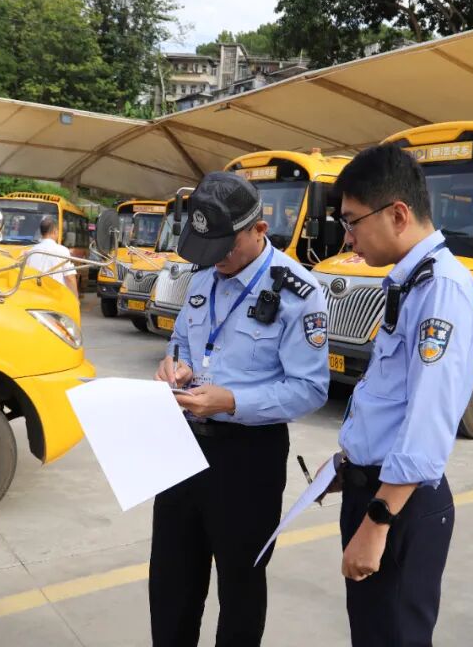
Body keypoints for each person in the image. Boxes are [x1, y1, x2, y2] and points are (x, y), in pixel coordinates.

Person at [151, 171, 330, 647]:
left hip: (248, 458)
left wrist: (233, 401)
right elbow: (181, 341)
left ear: (259, 230)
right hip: (182, 445)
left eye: (225, 249)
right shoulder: (202, 275)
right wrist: (176, 367)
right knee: (170, 581)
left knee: (241, 585)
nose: (217, 261)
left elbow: (310, 389)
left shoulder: (299, 293)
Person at [330, 144, 473, 646]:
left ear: (397, 214)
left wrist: (378, 521)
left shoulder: (443, 289)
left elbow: (430, 417)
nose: (347, 237)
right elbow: (391, 396)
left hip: (399, 506)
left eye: (353, 221)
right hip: (374, 490)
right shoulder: (411, 282)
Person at [25, 216, 78, 297]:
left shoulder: (31, 251)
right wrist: (75, 298)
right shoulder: (62, 251)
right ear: (55, 231)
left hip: (35, 295)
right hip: (56, 297)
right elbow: (70, 278)